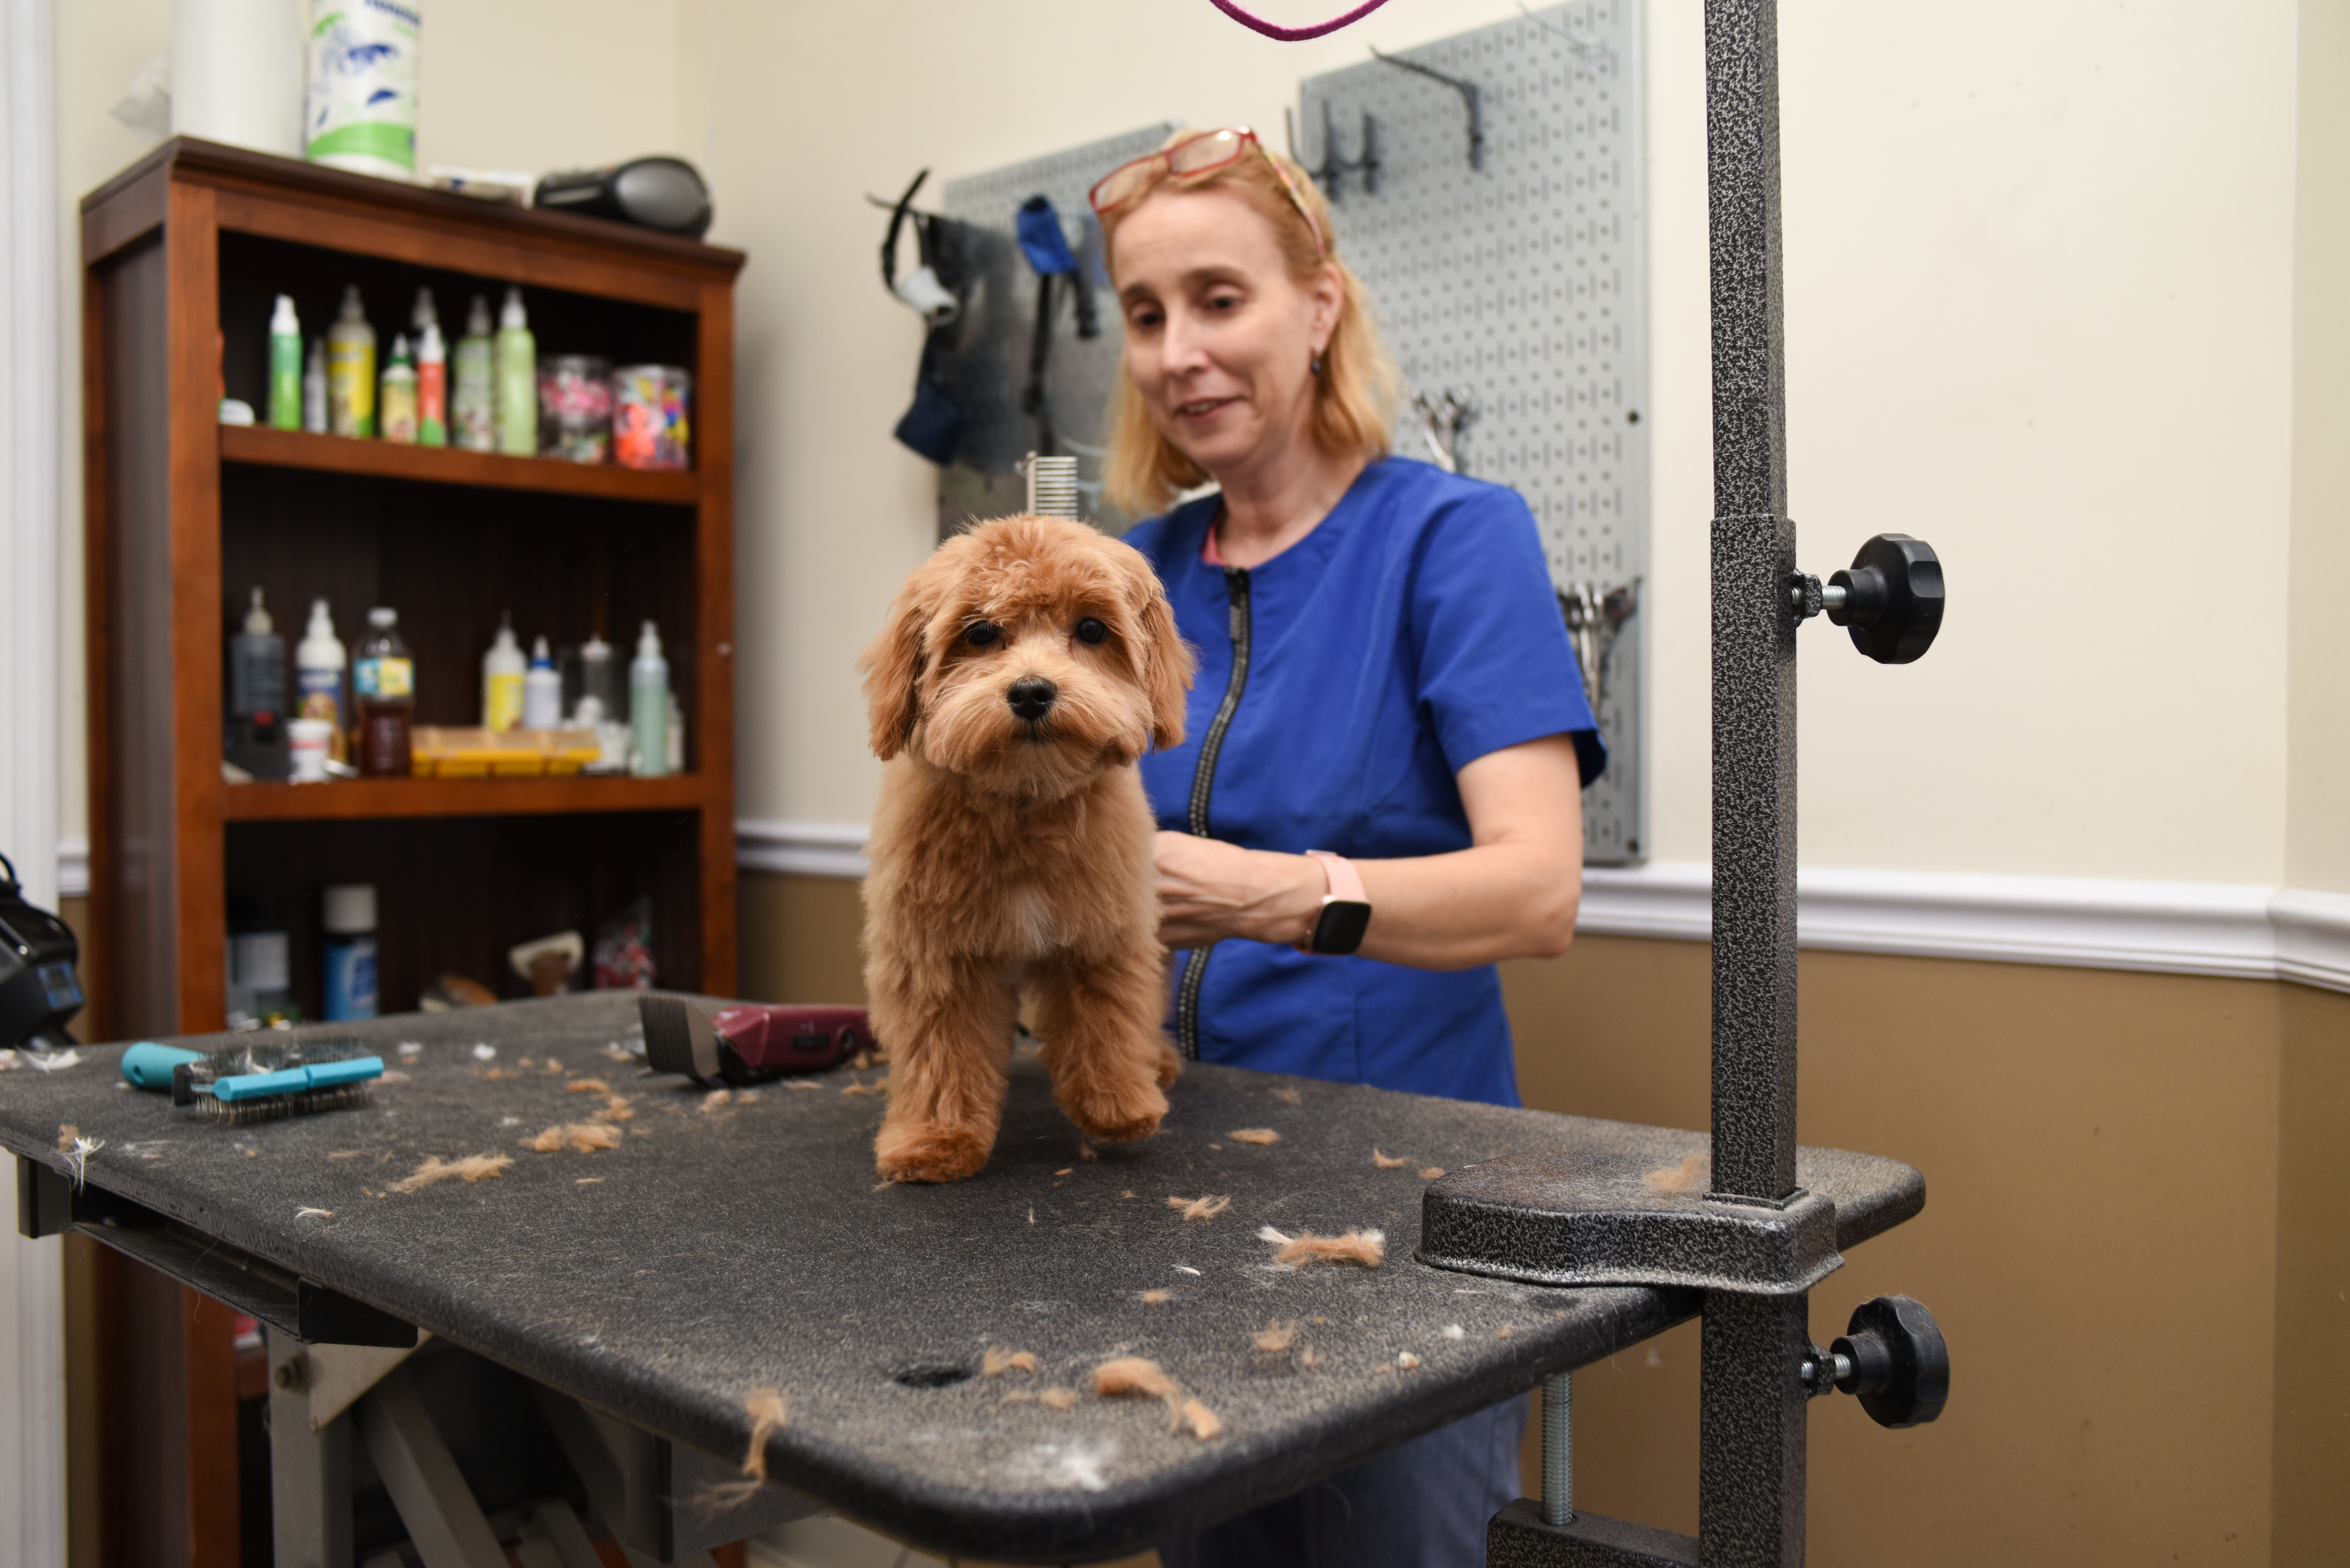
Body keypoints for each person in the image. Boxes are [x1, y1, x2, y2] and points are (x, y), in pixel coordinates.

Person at [1091, 128, 1605, 1567]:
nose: (1179, 351)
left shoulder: (1453, 538)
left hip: (1407, 1212)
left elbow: (1538, 887)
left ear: (1319, 304)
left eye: (1218, 298)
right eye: (1145, 315)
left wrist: (1267, 893)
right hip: (1174, 1190)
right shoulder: (1131, 575)